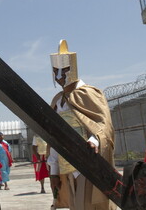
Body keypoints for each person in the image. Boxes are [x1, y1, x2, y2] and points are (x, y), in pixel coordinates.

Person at [46, 40, 116, 210]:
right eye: (56, 71)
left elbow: (103, 124)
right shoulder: (58, 101)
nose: (60, 76)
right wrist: (54, 171)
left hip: (89, 162)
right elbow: (55, 137)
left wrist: (95, 140)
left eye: (64, 70)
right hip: (67, 166)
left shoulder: (89, 94)